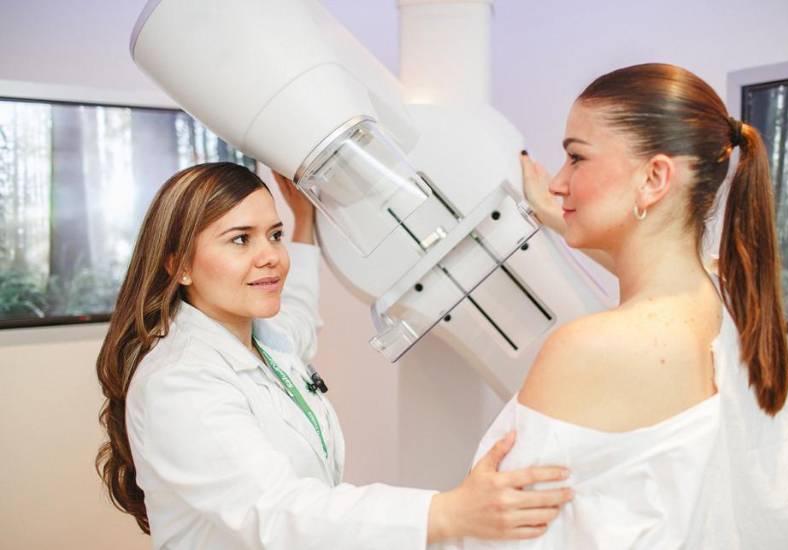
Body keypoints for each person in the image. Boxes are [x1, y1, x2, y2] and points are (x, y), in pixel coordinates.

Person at [95, 162, 573, 550]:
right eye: (241, 239)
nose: (270, 256)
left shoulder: (265, 339)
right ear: (179, 265)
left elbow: (299, 314)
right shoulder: (179, 381)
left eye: (274, 235)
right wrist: (447, 513)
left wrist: (303, 223)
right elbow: (275, 512)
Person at [443, 63, 788, 549]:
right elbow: (650, 262)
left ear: (655, 177)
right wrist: (555, 214)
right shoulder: (735, 302)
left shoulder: (590, 347)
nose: (557, 182)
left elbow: (499, 539)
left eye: (576, 157)